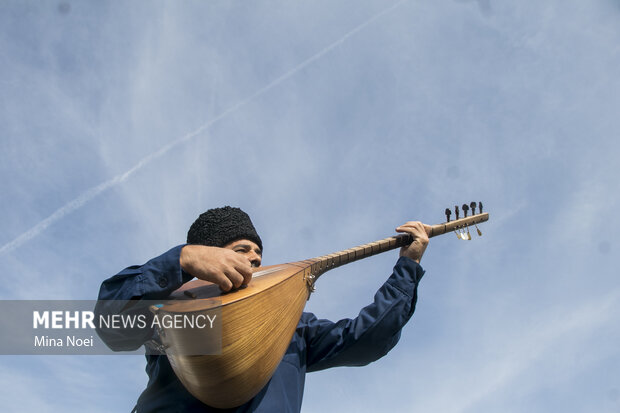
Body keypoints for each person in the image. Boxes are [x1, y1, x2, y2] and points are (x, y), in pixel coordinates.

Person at [96, 206, 429, 412]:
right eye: (242, 249)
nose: (255, 258)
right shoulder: (174, 311)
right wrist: (182, 258)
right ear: (209, 258)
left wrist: (407, 267)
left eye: (258, 252)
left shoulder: (293, 327)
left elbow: (369, 338)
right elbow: (110, 325)